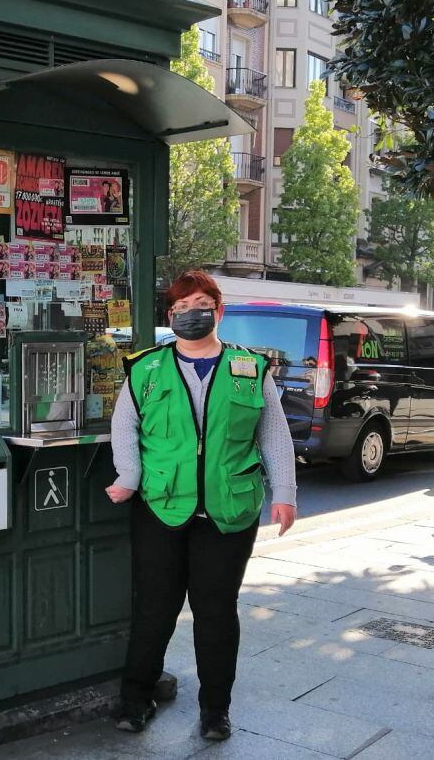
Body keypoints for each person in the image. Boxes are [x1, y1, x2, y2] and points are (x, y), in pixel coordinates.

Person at [107, 270, 297, 741]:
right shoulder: (146, 368)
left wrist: (285, 494)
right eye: (181, 307)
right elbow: (124, 427)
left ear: (219, 309)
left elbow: (273, 434)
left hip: (228, 511)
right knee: (154, 610)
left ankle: (215, 711)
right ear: (170, 317)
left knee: (216, 613)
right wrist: (128, 477)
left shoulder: (251, 368)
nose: (191, 313)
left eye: (200, 303)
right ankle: (136, 699)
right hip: (161, 507)